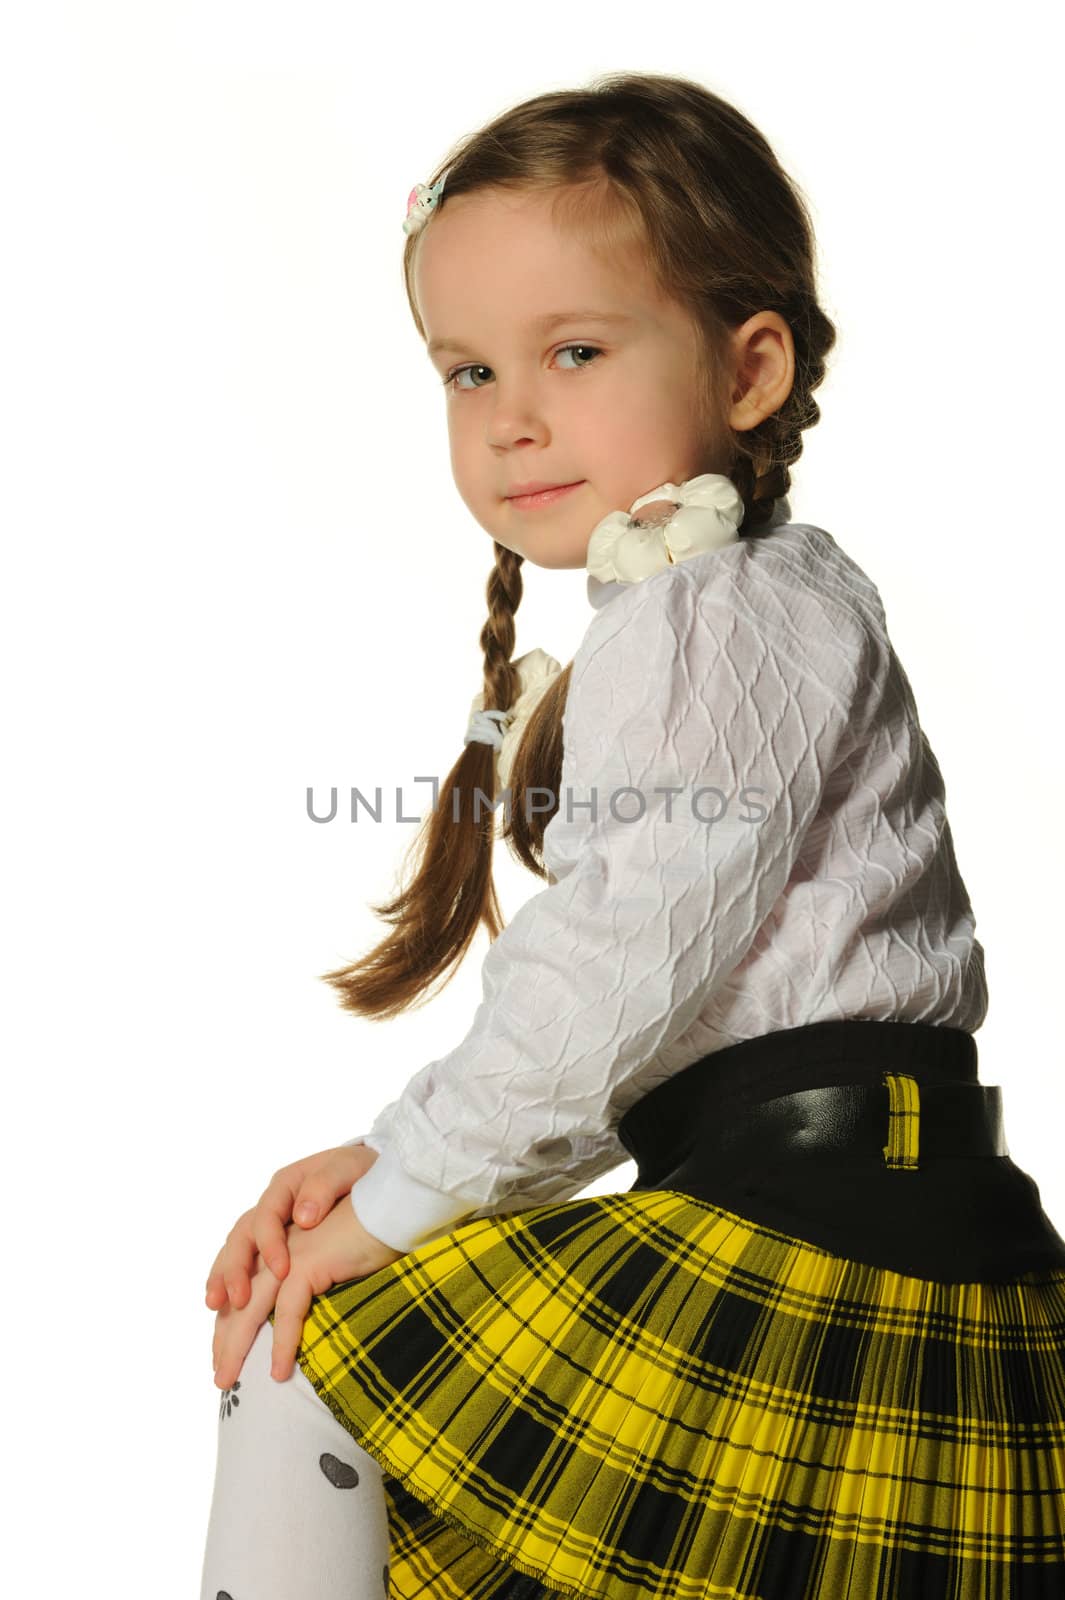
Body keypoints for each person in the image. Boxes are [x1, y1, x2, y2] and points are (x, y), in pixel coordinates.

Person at [199, 70, 1065, 1600]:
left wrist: (403, 1199)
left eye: (574, 350)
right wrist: (384, 1158)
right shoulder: (759, 601)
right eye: (464, 372)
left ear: (747, 371)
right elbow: (674, 1013)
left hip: (818, 1234)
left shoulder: (712, 612)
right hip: (846, 1199)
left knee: (307, 1360)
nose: (510, 417)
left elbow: (614, 964)